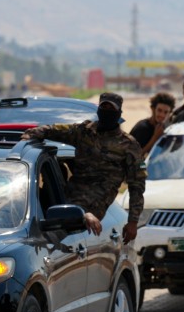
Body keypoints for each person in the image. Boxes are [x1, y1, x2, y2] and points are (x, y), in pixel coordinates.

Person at [21, 92, 146, 242]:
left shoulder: (129, 145)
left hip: (95, 206)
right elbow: (55, 130)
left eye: (111, 109)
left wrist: (133, 222)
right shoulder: (83, 132)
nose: (106, 111)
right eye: (103, 107)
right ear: (98, 109)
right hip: (68, 197)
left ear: (119, 113)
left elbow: (137, 185)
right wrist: (31, 134)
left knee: (53, 240)